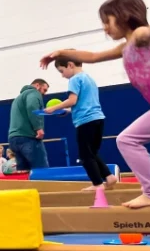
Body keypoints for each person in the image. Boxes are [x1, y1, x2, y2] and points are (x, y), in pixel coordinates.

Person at [40, 0, 150, 208]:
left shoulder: (139, 35)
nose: (105, 28)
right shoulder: (125, 47)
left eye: (108, 21)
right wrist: (61, 52)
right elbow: (94, 57)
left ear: (124, 15)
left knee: (126, 140)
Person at [44, 54, 117, 191]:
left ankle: (97, 184)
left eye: (62, 71)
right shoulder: (89, 79)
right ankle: (109, 176)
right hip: (98, 119)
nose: (62, 75)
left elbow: (72, 100)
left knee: (85, 156)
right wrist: (68, 111)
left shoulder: (74, 79)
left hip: (85, 122)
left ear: (70, 65)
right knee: (92, 153)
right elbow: (86, 104)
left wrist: (53, 108)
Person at [8, 79, 50, 171]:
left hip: (13, 139)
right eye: (44, 90)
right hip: (28, 137)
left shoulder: (18, 98)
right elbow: (31, 106)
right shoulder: (34, 93)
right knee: (42, 170)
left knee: (23, 172)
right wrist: (38, 127)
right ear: (37, 86)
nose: (44, 93)